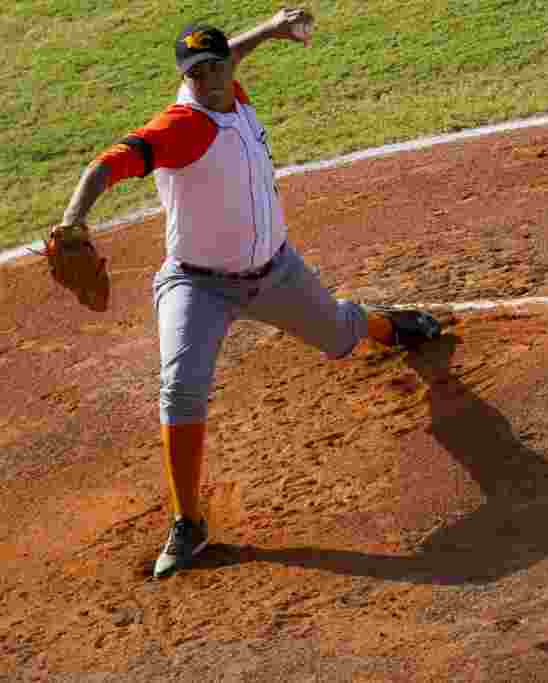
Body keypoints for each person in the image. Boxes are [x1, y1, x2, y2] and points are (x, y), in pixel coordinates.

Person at [55, 8, 441, 578]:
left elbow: (234, 52)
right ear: (187, 78)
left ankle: (388, 325)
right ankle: (190, 521)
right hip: (198, 285)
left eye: (213, 65)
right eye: (195, 72)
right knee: (181, 387)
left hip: (276, 272)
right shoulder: (178, 127)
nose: (207, 77)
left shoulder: (231, 89)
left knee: (338, 331)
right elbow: (105, 166)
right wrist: (73, 222)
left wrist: (271, 28)